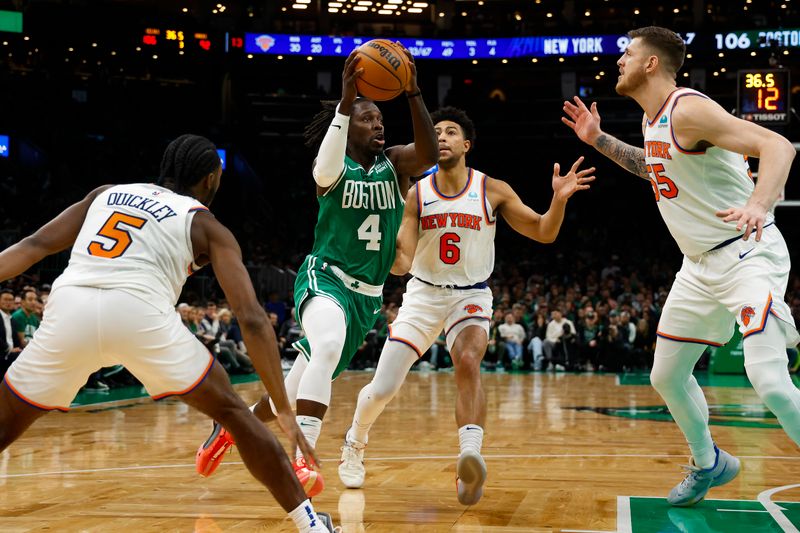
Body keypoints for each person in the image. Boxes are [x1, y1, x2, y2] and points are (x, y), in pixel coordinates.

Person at [0, 134, 334, 533]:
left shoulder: (106, 194)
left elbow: (35, 244)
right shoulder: (206, 224)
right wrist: (282, 410)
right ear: (212, 180)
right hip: (140, 314)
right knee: (231, 413)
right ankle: (311, 525)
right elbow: (252, 317)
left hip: (71, 307)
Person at [562, 25, 800, 506]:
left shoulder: (688, 108)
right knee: (665, 377)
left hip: (746, 251)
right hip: (698, 267)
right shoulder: (654, 121)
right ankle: (708, 461)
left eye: (627, 53)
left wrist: (758, 203)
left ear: (652, 63)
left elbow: (778, 146)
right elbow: (653, 168)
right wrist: (599, 139)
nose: (619, 60)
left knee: (770, 380)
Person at [196, 47, 438, 496]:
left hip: (365, 298)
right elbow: (325, 164)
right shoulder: (332, 167)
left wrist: (413, 91)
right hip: (324, 278)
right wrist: (346, 102)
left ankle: (232, 424)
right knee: (325, 344)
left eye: (380, 119)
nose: (378, 124)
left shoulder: (396, 165)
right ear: (347, 127)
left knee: (291, 391)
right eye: (368, 119)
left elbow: (428, 155)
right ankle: (303, 459)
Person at [338, 106, 594, 505]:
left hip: (470, 294)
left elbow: (543, 231)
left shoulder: (492, 189)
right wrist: (382, 246)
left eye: (451, 132)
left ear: (467, 144)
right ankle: (356, 438)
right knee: (383, 388)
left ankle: (469, 456)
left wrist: (558, 200)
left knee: (469, 360)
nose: (440, 137)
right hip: (423, 295)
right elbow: (403, 263)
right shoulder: (416, 194)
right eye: (435, 131)